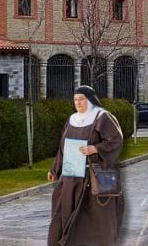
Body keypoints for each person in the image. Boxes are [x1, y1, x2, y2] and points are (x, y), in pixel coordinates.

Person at [47, 85, 124, 246]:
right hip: (71, 174)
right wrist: (55, 169)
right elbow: (63, 147)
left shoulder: (102, 117)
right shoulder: (72, 119)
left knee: (91, 217)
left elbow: (116, 140)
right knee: (64, 209)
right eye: (75, 99)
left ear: (89, 100)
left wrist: (95, 148)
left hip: (92, 177)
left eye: (81, 99)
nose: (77, 102)